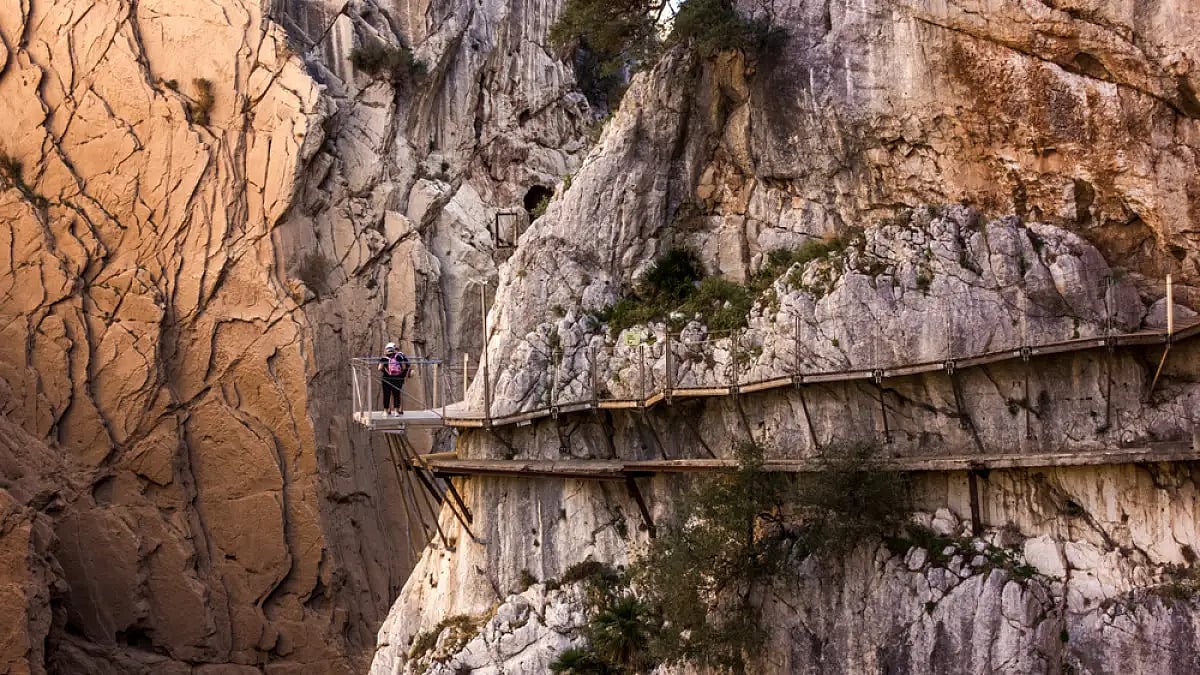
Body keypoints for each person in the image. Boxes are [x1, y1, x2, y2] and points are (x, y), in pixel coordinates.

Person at [378, 342, 411, 415]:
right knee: (396, 394)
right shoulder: (399, 356)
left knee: (386, 394)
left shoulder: (384, 358)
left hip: (386, 378)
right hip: (397, 378)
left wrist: (385, 371)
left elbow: (379, 368)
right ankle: (397, 411)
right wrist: (400, 374)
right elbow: (404, 367)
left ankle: (386, 411)